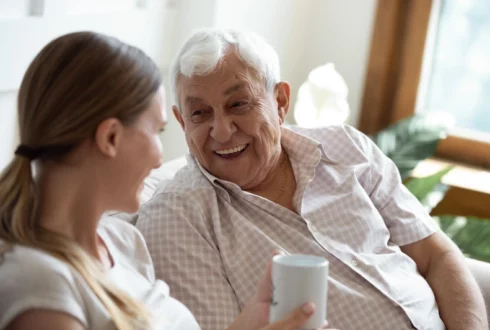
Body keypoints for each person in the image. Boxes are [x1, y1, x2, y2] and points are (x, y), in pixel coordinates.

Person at [136, 28, 489, 330]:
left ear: (280, 101)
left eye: (239, 104)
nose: (222, 131)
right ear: (182, 123)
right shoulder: (177, 217)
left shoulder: (346, 149)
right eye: (200, 113)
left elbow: (437, 256)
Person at [0, 31, 333, 330]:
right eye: (157, 131)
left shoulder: (122, 242)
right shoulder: (41, 283)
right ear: (111, 138)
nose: (161, 158)